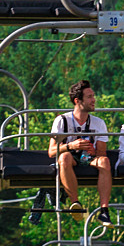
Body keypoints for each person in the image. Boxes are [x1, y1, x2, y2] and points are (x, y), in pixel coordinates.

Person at [48, 79, 112, 225]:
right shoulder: (62, 121)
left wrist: (92, 150)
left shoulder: (98, 123)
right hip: (71, 157)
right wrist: (71, 146)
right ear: (78, 101)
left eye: (93, 96)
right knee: (64, 158)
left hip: (89, 157)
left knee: (105, 161)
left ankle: (104, 210)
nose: (93, 100)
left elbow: (102, 152)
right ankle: (75, 203)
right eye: (89, 97)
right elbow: (52, 151)